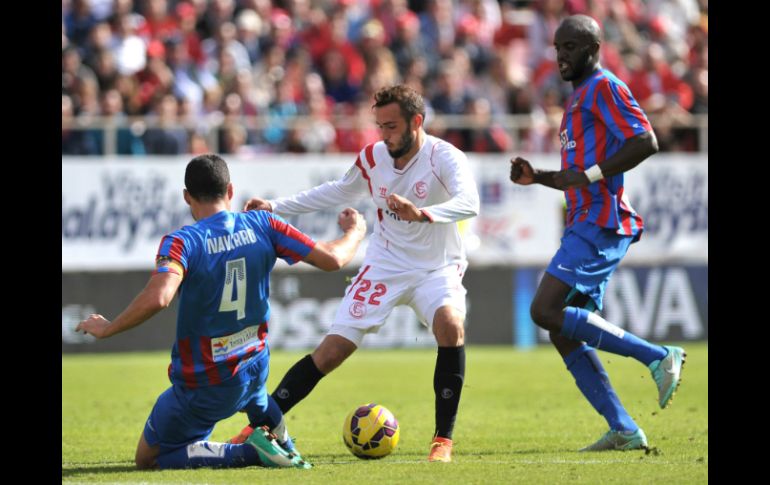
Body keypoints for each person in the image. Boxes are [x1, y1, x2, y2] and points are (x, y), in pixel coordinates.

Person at [229, 84, 480, 462]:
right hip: (386, 265)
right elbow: (337, 190)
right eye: (380, 126)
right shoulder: (373, 157)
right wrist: (275, 207)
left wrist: (423, 213)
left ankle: (442, 440)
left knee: (450, 326)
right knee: (331, 352)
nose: (385, 135)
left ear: (417, 121)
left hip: (436, 267)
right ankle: (261, 424)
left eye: (392, 126)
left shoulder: (444, 158)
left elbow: (469, 203)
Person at [76, 154, 367, 469]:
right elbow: (333, 259)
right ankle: (284, 445)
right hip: (255, 363)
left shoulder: (182, 242)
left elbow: (160, 297)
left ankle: (252, 453)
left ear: (187, 196)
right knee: (258, 400)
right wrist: (355, 232)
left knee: (149, 458)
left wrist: (108, 327)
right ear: (230, 191)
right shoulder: (265, 223)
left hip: (206, 382)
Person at [508, 15, 686, 452]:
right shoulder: (576, 102)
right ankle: (624, 428)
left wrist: (588, 173)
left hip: (601, 222)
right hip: (584, 220)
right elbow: (576, 178)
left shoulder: (603, 87)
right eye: (557, 47)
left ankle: (659, 356)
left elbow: (645, 140)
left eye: (569, 47)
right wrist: (539, 178)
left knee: (543, 309)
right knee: (562, 330)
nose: (561, 56)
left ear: (592, 48)